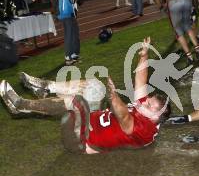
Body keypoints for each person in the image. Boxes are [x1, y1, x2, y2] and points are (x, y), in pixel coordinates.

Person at [0, 38, 171, 154]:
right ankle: (47, 87)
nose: (144, 102)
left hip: (81, 140)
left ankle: (20, 105)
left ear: (156, 118)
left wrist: (113, 97)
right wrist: (145, 54)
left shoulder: (145, 130)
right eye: (148, 100)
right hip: (89, 121)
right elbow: (141, 80)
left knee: (78, 102)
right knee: (95, 86)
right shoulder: (147, 111)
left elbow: (124, 118)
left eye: (149, 106)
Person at [49, 0, 80, 65]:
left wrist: (74, 1)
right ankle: (68, 57)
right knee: (69, 34)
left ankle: (74, 55)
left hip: (70, 9)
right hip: (63, 11)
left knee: (74, 33)